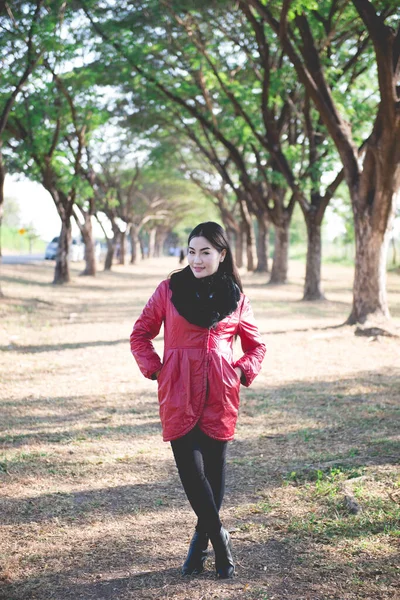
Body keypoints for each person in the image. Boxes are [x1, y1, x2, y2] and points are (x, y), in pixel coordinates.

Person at [130, 221, 266, 579]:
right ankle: (220, 540)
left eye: (206, 252)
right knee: (192, 474)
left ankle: (198, 544)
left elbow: (256, 346)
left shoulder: (236, 297)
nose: (197, 259)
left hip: (221, 394)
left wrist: (239, 372)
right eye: (192, 251)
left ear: (222, 255)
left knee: (215, 476)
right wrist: (157, 370)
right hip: (178, 392)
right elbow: (141, 334)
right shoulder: (169, 290)